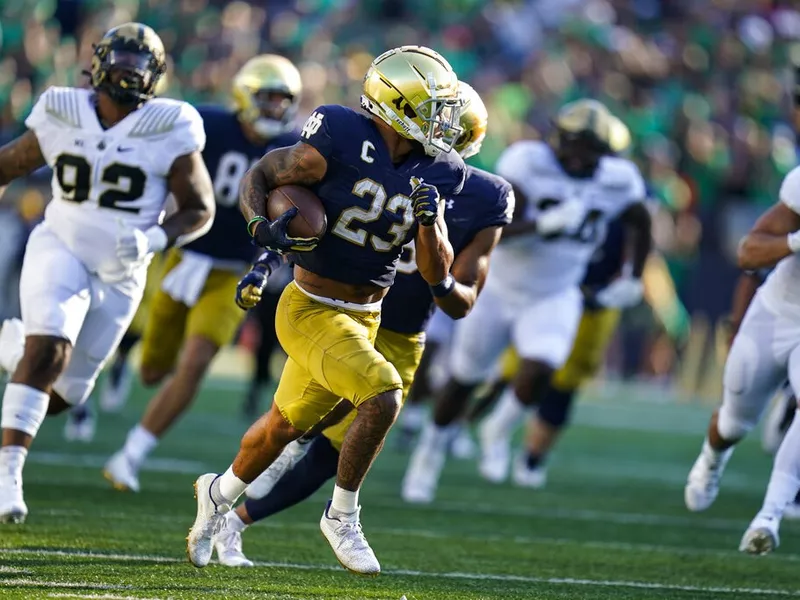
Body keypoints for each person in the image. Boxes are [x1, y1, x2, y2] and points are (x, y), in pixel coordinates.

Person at [186, 45, 466, 576]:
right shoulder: (339, 133)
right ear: (398, 104)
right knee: (383, 395)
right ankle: (342, 516)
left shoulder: (442, 169)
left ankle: (217, 494)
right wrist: (257, 229)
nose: (441, 122)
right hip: (310, 308)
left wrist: (429, 223)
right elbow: (264, 173)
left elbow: (435, 273)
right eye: (431, 108)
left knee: (281, 429)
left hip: (368, 314)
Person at [0, 22, 215, 523]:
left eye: (139, 67)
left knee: (65, 393)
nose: (128, 74)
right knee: (49, 347)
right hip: (61, 244)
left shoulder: (172, 123)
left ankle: (12, 347)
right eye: (120, 63)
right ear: (97, 64)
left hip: (123, 270)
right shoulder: (62, 109)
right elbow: (9, 164)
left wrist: (154, 238)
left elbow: (199, 207)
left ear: (157, 76)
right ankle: (8, 476)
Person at [402, 99, 652, 503]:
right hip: (500, 287)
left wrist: (635, 277)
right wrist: (543, 224)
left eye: (589, 149)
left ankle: (497, 430)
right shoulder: (528, 163)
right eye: (573, 144)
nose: (578, 156)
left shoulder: (618, 180)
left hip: (555, 292)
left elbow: (640, 220)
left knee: (542, 367)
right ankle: (430, 450)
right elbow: (495, 227)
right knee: (464, 378)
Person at [102, 54, 301, 493]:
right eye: (266, 99)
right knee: (154, 370)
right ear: (243, 95)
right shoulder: (208, 124)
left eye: (282, 101)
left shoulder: (291, 147)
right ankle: (120, 371)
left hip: (235, 273)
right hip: (183, 259)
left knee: (194, 364)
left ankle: (130, 455)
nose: (274, 109)